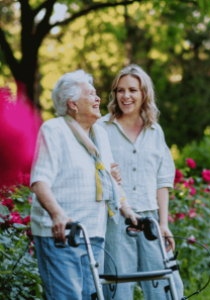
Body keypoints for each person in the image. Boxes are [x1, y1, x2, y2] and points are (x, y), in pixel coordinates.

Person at [30, 70, 137, 300]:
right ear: (73, 104)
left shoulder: (99, 133)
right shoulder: (54, 130)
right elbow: (39, 181)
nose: (98, 98)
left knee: (90, 296)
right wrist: (58, 215)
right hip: (60, 234)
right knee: (67, 296)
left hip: (93, 234)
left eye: (96, 93)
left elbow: (108, 178)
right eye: (91, 94)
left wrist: (128, 210)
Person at [97, 64, 184, 300]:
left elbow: (162, 180)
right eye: (120, 90)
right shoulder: (101, 129)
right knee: (118, 289)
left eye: (133, 90)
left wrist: (164, 223)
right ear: (115, 94)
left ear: (144, 94)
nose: (126, 96)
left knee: (164, 288)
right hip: (115, 220)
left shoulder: (155, 131)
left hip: (150, 220)